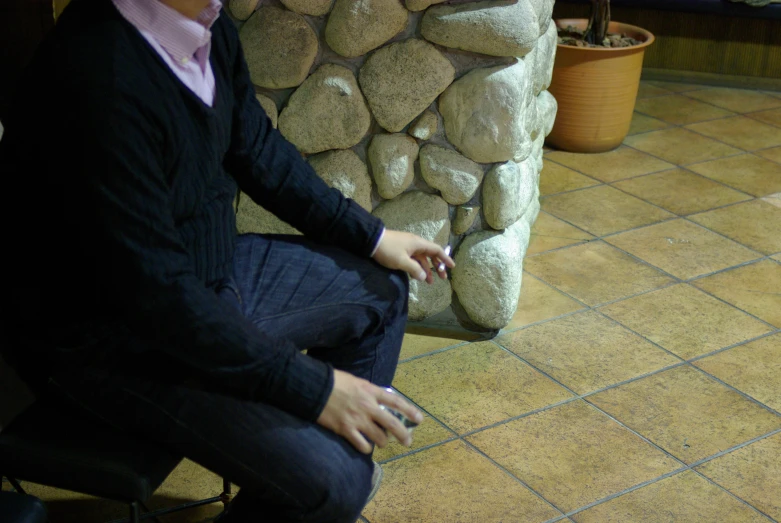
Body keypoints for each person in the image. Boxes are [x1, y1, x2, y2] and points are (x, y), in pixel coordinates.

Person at [0, 0, 455, 521]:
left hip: (203, 279)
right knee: (336, 482)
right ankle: (322, 481)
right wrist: (315, 389)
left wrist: (372, 235)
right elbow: (159, 298)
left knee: (383, 287)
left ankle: (310, 475)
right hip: (112, 345)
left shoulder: (204, 26)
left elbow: (258, 150)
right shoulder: (98, 76)